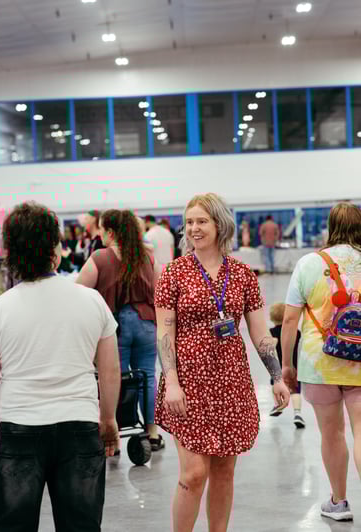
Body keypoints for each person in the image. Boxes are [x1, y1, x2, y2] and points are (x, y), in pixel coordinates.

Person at [154, 192, 290, 532]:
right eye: (189, 222)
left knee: (224, 471)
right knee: (194, 473)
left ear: (219, 224)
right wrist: (171, 382)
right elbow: (164, 333)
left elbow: (260, 333)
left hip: (230, 383)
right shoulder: (174, 273)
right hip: (186, 383)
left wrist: (276, 376)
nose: (194, 229)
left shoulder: (242, 274)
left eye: (202, 221)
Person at [0, 201, 121, 532]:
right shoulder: (91, 301)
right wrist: (108, 419)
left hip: (20, 428)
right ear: (55, 249)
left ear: (12, 253)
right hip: (80, 425)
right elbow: (110, 371)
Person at [282, 202, 361, 522]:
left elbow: (289, 320)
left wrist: (286, 365)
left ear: (330, 226)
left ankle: (339, 502)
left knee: (331, 434)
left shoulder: (309, 263)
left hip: (319, 362)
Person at [76, 209, 165, 451]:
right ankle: (153, 433)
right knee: (147, 377)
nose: (101, 235)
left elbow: (78, 290)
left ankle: (112, 438)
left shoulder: (100, 257)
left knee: (115, 379)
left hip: (116, 327)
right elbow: (161, 292)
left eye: (103, 230)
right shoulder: (147, 257)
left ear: (111, 232)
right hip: (148, 323)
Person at [269, 302, 305, 428]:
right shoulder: (296, 331)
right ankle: (297, 413)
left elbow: (272, 343)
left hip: (278, 368)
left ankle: (278, 406)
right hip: (293, 367)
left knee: (276, 388)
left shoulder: (272, 332)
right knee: (295, 390)